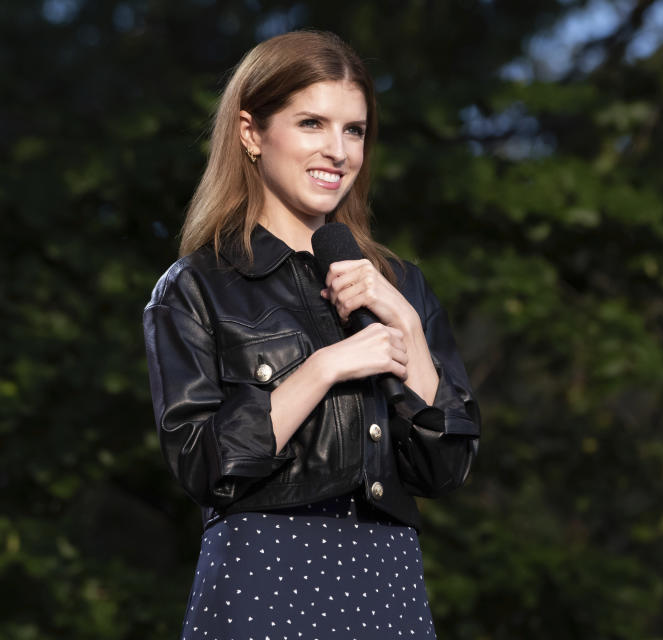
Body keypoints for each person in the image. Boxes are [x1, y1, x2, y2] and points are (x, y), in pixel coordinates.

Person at [143, 30, 480, 640]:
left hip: (387, 580)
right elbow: (201, 465)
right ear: (251, 132)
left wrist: (404, 323)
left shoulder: (399, 284)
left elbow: (445, 468)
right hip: (264, 573)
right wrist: (325, 366)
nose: (338, 151)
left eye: (353, 130)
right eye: (311, 124)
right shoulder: (196, 286)